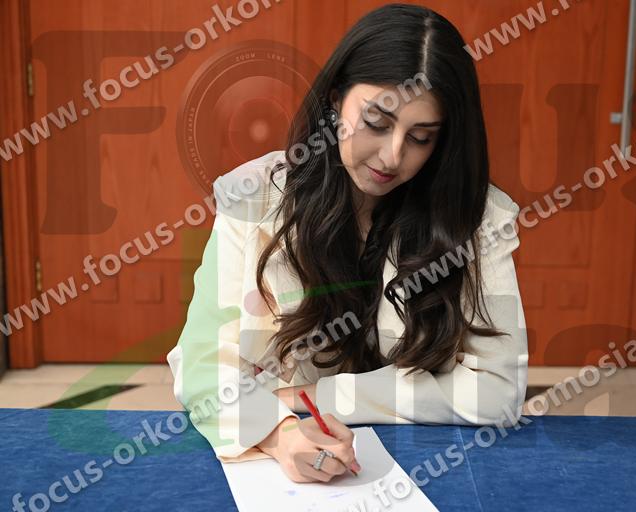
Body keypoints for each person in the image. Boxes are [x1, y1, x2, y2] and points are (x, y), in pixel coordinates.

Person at [167, 2, 528, 484]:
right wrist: (279, 434)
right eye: (376, 122)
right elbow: (201, 367)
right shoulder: (252, 198)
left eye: (420, 137)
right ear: (336, 100)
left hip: (433, 466)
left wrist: (313, 398)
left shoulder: (477, 218)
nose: (392, 156)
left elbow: (498, 391)